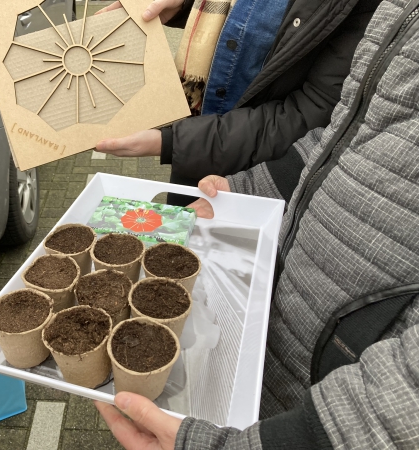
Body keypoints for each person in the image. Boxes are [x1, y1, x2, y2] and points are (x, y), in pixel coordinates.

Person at [96, 0, 419, 447]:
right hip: (274, 261)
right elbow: (347, 128)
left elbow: (311, 110)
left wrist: (171, 140)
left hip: (344, 366)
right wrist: (252, 187)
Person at [96, 0, 381, 206]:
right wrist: (182, 5)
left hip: (264, 178)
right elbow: (243, 15)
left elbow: (317, 110)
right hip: (197, 141)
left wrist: (171, 143)